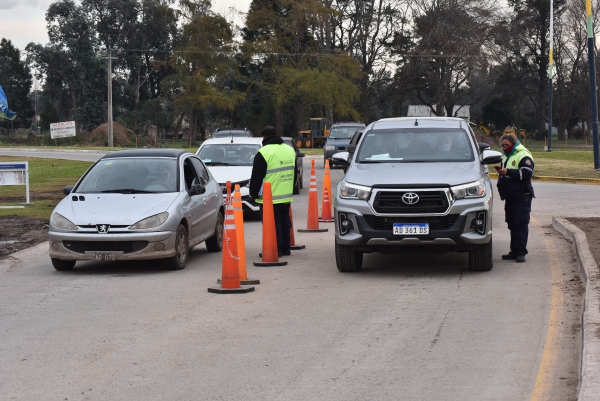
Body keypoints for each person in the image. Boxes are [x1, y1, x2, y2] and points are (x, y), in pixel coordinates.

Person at [249, 126, 297, 257]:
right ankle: (286, 248)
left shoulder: (264, 152)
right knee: (284, 221)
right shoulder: (290, 150)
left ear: (264, 138)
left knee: (273, 223)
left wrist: (253, 193)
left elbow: (257, 176)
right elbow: (294, 171)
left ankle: (276, 249)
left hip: (269, 196)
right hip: (286, 193)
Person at [496, 133, 535, 263]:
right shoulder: (507, 156)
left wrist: (508, 172)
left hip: (522, 196)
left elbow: (526, 173)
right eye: (502, 146)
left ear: (513, 143)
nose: (504, 147)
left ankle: (521, 252)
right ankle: (514, 251)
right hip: (511, 196)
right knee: (512, 224)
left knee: (521, 224)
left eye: (506, 145)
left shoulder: (523, 155)